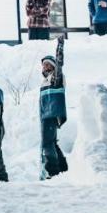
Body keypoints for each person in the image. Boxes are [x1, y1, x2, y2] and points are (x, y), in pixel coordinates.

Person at [39, 38, 69, 179]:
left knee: (47, 143)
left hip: (52, 114)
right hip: (47, 115)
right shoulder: (45, 81)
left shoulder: (56, 78)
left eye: (48, 65)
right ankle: (63, 167)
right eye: (43, 65)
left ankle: (53, 170)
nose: (45, 67)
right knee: (52, 142)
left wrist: (60, 47)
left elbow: (59, 63)